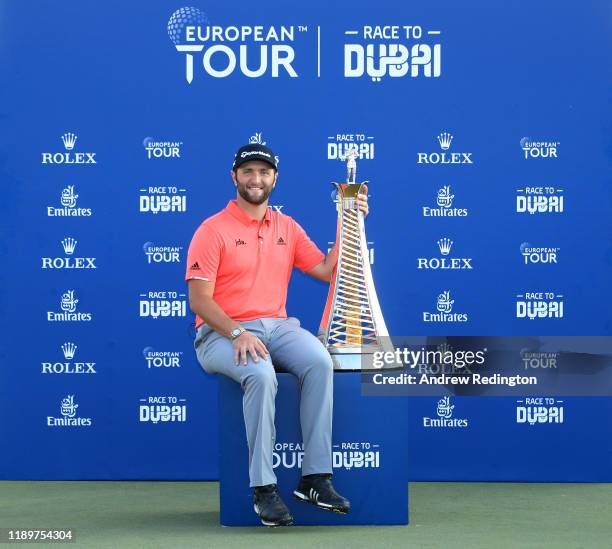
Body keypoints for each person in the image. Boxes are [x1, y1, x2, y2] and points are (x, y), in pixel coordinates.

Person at [185, 143, 369, 527]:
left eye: (264, 173)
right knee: (260, 373)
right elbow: (200, 301)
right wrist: (236, 332)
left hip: (277, 326)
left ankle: (315, 478)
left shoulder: (286, 226)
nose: (256, 179)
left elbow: (323, 268)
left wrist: (350, 221)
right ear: (234, 177)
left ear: (275, 179)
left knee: (320, 361)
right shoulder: (212, 229)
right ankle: (263, 489)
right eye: (248, 172)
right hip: (221, 332)